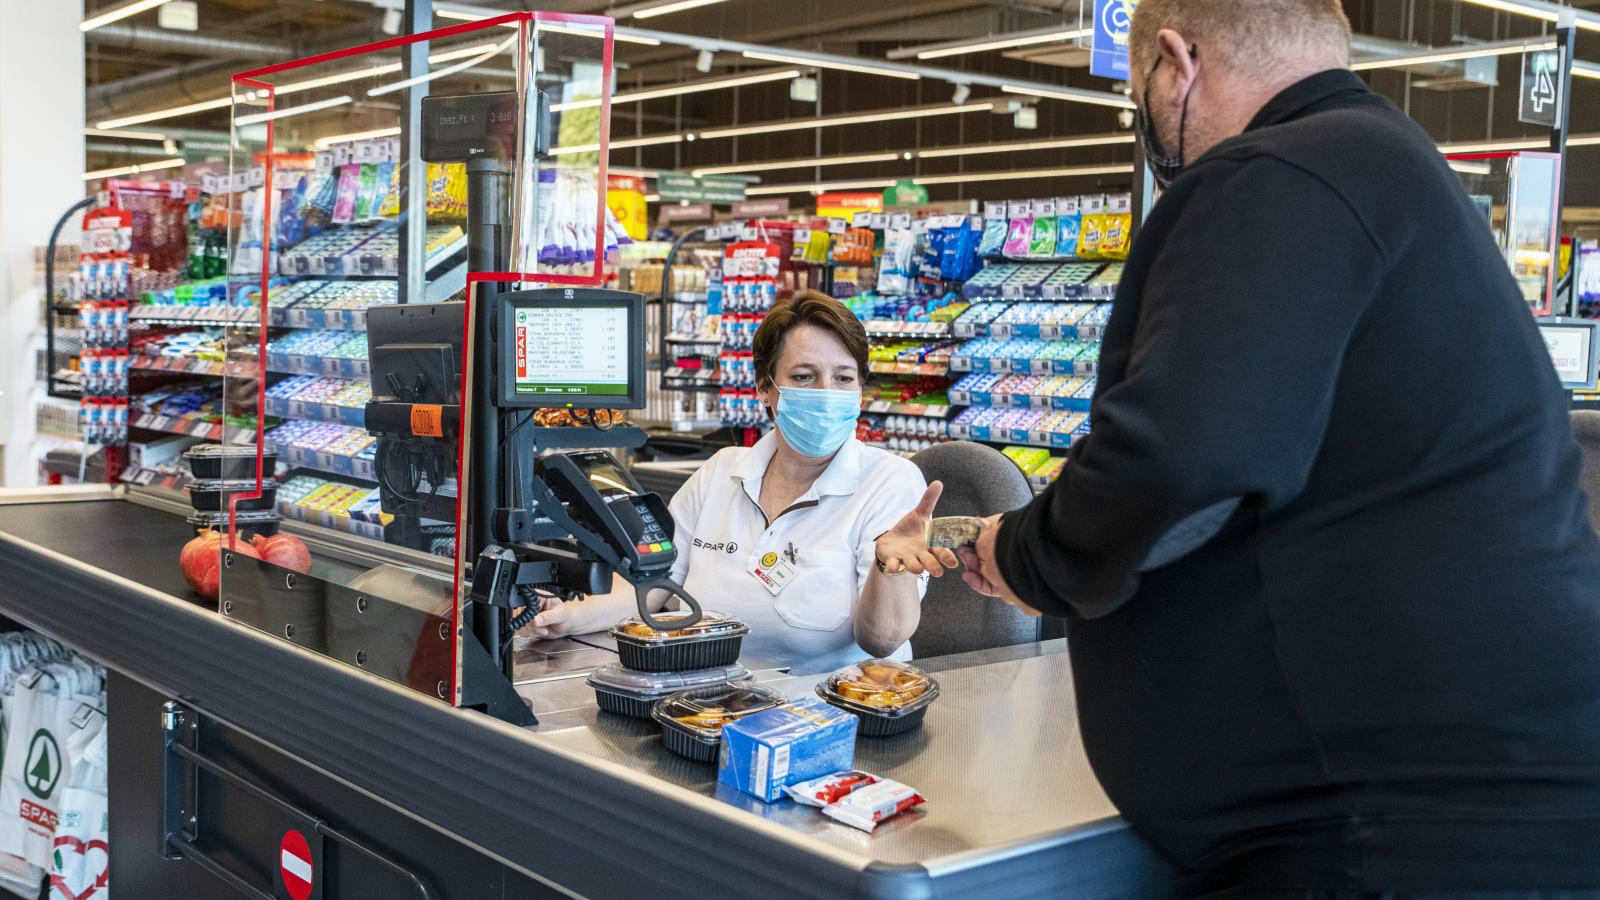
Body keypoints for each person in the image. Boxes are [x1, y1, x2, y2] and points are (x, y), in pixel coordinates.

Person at [956, 0, 1600, 893]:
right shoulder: (1385, 167)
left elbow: (1180, 455)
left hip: (1385, 835)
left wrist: (1030, 552)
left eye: (1139, 89)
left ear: (1176, 63)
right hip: (1446, 807)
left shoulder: (1274, 173)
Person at [526, 291, 958, 675]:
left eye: (844, 378)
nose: (827, 392)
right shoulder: (721, 472)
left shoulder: (890, 483)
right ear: (765, 388)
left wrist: (890, 568)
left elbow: (881, 642)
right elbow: (651, 586)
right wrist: (567, 616)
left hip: (833, 719)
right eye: (804, 377)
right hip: (707, 700)